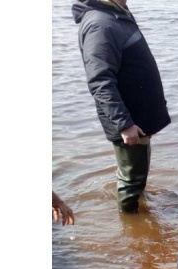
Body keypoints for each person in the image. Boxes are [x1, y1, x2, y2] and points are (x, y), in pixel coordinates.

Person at [72, 0, 171, 214]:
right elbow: (100, 81)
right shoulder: (100, 24)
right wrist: (124, 124)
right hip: (127, 119)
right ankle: (131, 223)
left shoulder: (116, 14)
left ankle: (139, 211)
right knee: (131, 181)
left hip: (137, 117)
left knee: (137, 173)